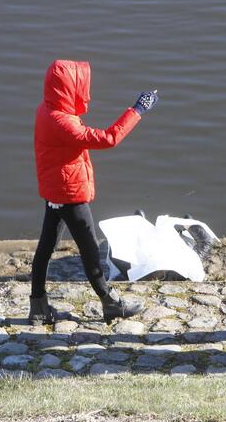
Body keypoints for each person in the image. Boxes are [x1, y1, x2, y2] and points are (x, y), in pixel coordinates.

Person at [30, 59, 159, 325]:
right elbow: (107, 138)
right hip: (69, 195)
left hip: (55, 191)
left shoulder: (46, 110)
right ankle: (110, 303)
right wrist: (138, 110)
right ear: (67, 88)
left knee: (46, 248)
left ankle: (38, 307)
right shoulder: (63, 123)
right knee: (90, 251)